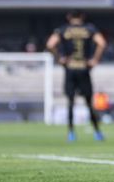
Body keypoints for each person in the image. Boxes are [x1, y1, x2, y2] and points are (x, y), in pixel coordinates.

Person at [46, 10, 107, 142]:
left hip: (70, 68)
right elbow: (102, 43)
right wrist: (95, 59)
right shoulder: (89, 29)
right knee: (89, 103)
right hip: (84, 68)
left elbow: (50, 44)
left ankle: (71, 133)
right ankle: (97, 132)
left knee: (70, 102)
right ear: (82, 16)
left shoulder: (63, 30)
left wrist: (59, 58)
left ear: (69, 17)